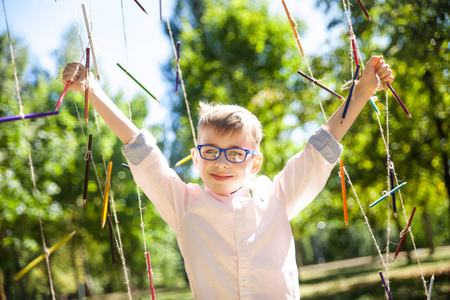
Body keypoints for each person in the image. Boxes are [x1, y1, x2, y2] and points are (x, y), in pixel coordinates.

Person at [62, 56, 393, 299]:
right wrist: (93, 90)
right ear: (195, 157)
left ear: (255, 163)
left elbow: (320, 148)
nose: (221, 162)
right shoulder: (183, 204)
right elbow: (140, 148)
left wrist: (362, 92)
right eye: (210, 151)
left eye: (235, 153)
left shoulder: (277, 196)